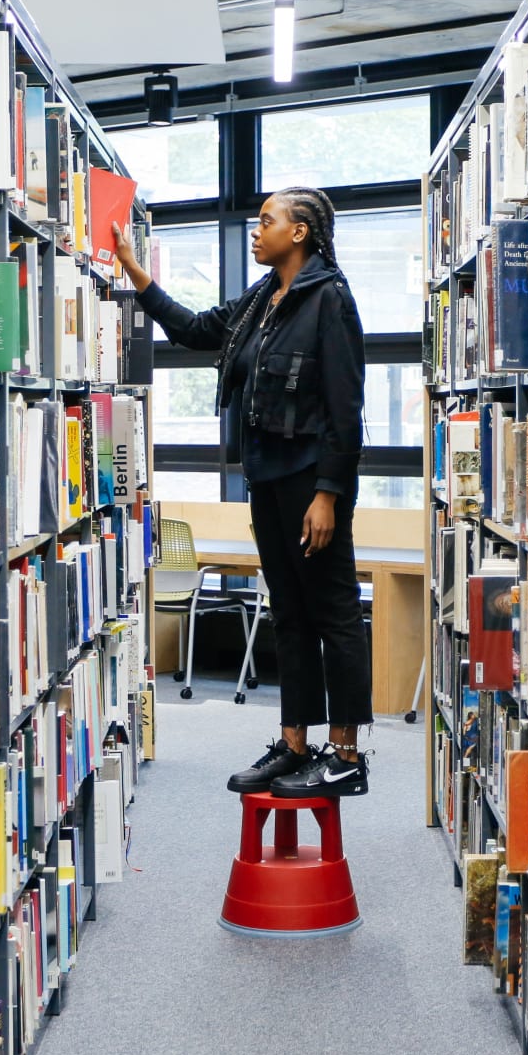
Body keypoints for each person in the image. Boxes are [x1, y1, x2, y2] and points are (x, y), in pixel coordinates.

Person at [112, 187, 371, 798]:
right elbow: (196, 330)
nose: (256, 232)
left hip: (313, 483)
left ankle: (346, 755)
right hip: (268, 479)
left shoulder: (329, 299)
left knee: (332, 612)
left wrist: (329, 494)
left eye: (267, 222)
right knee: (288, 614)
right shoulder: (262, 299)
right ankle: (295, 743)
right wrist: (132, 269)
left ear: (300, 232)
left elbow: (345, 405)